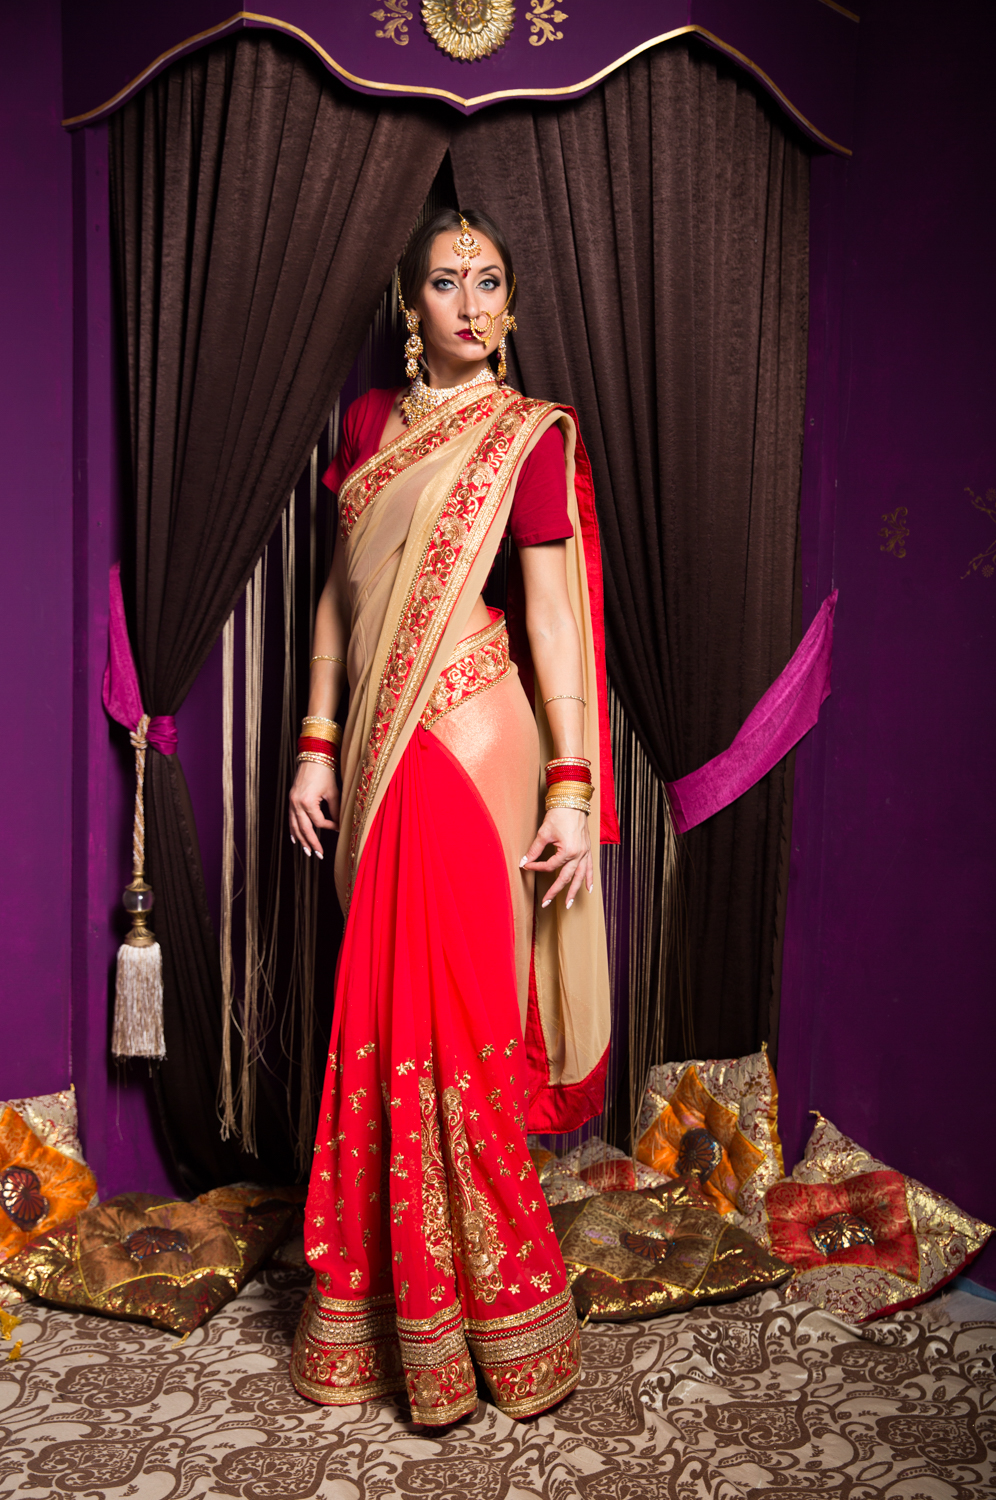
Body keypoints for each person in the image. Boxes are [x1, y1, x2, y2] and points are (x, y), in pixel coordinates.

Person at [287, 208, 616, 1425]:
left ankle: (506, 1324)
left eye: (488, 282)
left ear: (511, 304)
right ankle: (390, 1323)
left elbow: (554, 617)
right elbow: (341, 597)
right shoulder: (371, 425)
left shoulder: (529, 436)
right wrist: (315, 744)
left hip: (480, 739)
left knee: (466, 1022)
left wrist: (573, 785)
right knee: (381, 1013)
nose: (470, 304)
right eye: (445, 281)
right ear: (409, 305)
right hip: (380, 743)